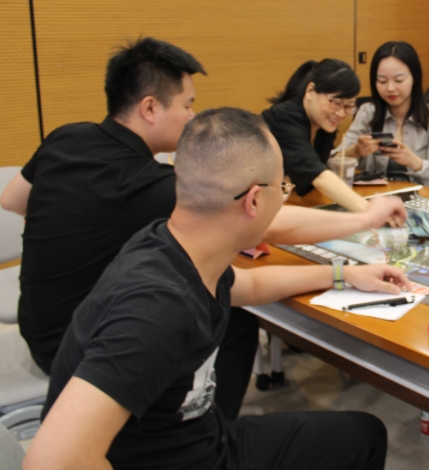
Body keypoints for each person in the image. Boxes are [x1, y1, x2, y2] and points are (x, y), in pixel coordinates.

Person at [0, 38, 407, 420]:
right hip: (83, 352)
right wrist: (364, 218)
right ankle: (210, 431)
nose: (191, 117)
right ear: (149, 108)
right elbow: (271, 224)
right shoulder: (148, 184)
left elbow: (13, 200)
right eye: (188, 105)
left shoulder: (65, 137)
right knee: (234, 320)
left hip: (38, 324)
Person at [23, 107, 409, 470]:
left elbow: (251, 284)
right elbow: (50, 461)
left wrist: (344, 274)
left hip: (195, 436)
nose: (283, 196)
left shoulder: (171, 245)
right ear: (254, 200)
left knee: (361, 434)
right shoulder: (157, 309)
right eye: (283, 187)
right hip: (186, 458)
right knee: (365, 438)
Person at [342, 41, 429, 190]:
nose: (390, 88)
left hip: (420, 200)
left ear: (415, 78)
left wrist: (416, 163)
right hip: (373, 197)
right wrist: (355, 151)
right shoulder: (367, 113)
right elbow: (334, 163)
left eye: (399, 80)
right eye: (382, 81)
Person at [261, 59, 369, 212]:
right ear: (310, 91)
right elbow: (317, 176)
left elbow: (318, 167)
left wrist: (354, 152)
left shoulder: (323, 124)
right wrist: (369, 210)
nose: (341, 113)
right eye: (336, 103)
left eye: (349, 106)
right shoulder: (283, 118)